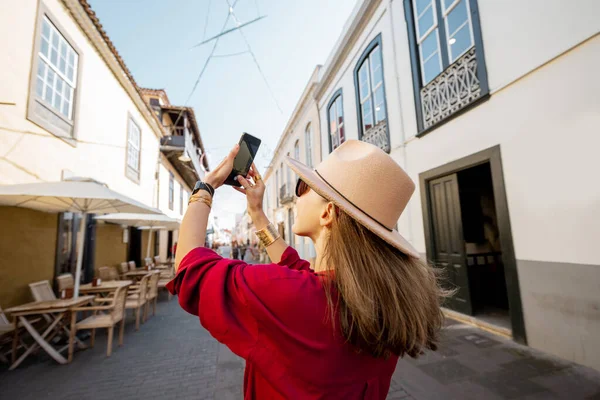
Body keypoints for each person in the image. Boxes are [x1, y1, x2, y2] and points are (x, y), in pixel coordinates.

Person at [168, 140, 446, 399]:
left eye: (304, 188)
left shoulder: (296, 295)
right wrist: (256, 213)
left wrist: (207, 185)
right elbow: (295, 266)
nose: (298, 196)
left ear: (328, 213)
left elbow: (190, 270)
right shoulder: (384, 300)